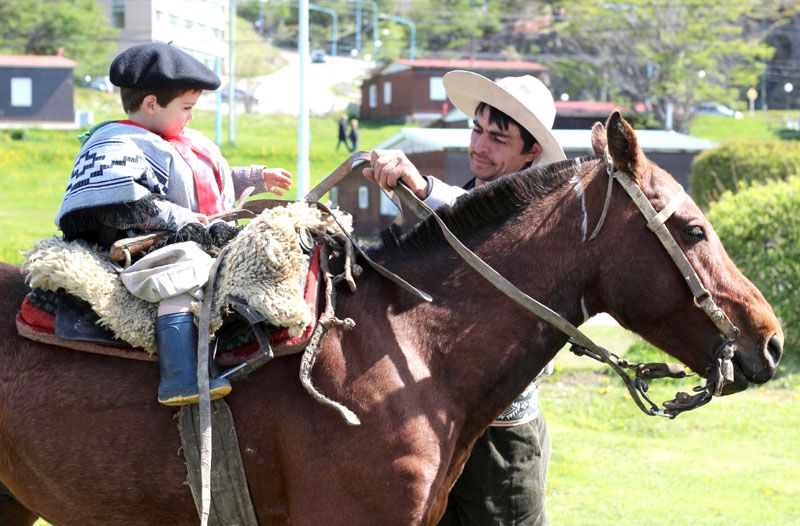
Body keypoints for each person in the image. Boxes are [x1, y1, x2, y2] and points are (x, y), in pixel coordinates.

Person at [363, 71, 566, 526]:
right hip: (448, 418)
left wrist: (422, 188)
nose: (479, 145)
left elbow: (483, 230)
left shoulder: (541, 218)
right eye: (477, 129)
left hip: (501, 438)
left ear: (532, 151)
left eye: (498, 138)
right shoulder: (477, 194)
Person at [54, 42, 293, 406]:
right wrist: (192, 222)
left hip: (205, 236)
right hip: (148, 246)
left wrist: (254, 177)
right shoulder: (114, 143)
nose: (191, 117)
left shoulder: (176, 140)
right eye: (187, 108)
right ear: (151, 104)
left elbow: (201, 183)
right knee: (181, 277)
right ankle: (181, 377)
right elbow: (123, 203)